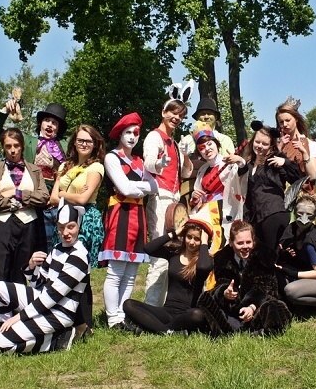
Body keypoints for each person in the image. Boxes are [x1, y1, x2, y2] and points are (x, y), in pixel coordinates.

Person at [0, 202, 89, 354]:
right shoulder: (57, 249)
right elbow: (39, 285)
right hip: (44, 301)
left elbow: (53, 295)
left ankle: (57, 340)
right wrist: (31, 266)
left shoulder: (79, 256)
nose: (66, 232)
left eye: (71, 227)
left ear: (78, 226)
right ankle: (1, 333)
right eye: (61, 227)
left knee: (2, 344)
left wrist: (19, 317)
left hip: (60, 313)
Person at [0, 127, 50, 343]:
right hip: (1, 226)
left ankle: (17, 322)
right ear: (3, 147)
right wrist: (18, 202)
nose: (12, 150)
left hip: (27, 226)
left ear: (22, 146)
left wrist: (15, 194)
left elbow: (43, 197)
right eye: (8, 146)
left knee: (21, 274)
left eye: (16, 146)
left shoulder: (34, 170)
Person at [99, 112, 158, 329]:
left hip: (138, 217)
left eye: (136, 133)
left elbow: (154, 187)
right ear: (120, 134)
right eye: (128, 133)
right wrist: (140, 188)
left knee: (131, 272)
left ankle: (122, 315)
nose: (132, 137)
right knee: (116, 271)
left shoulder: (140, 161)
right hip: (120, 215)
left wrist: (136, 188)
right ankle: (112, 318)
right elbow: (124, 189)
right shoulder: (111, 157)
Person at [0, 101, 69, 252]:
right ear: (40, 123)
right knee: (34, 250)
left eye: (54, 123)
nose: (50, 125)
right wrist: (6, 110)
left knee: (59, 248)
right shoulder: (27, 141)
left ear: (59, 128)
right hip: (30, 202)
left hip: (57, 203)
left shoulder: (65, 145)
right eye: (47, 121)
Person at [50, 124, 105, 337]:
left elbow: (83, 199)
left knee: (80, 272)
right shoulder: (65, 166)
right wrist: (66, 195)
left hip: (86, 221)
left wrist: (64, 194)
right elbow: (52, 198)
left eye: (88, 141)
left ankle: (85, 324)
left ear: (95, 144)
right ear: (74, 142)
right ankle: (67, 320)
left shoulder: (96, 167)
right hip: (65, 219)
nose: (84, 144)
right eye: (80, 140)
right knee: (63, 269)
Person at [143, 82, 194, 306]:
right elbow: (148, 163)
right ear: (163, 112)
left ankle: (164, 306)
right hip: (160, 197)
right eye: (173, 113)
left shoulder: (173, 142)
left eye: (180, 115)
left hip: (174, 201)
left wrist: (185, 154)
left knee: (172, 252)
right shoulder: (154, 137)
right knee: (160, 253)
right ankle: (150, 307)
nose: (176, 118)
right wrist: (159, 163)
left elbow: (186, 172)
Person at [197, 220, 292, 337]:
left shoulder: (264, 257)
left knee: (274, 307)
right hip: (235, 310)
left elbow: (267, 289)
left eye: (248, 242)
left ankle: (264, 332)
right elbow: (221, 283)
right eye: (240, 243)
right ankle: (228, 331)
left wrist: (252, 307)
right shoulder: (222, 259)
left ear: (254, 241)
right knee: (205, 298)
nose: (245, 247)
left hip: (258, 307)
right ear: (231, 243)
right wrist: (225, 293)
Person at [121, 220, 213, 335]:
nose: (191, 242)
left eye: (197, 239)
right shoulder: (174, 253)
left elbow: (203, 267)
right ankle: (167, 331)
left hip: (187, 314)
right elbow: (148, 248)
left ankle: (152, 327)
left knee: (198, 315)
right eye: (189, 237)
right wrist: (175, 233)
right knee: (129, 304)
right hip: (167, 311)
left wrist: (204, 242)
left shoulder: (206, 260)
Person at [238, 121, 302, 254]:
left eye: (265, 144)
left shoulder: (275, 159)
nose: (260, 146)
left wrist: (285, 162)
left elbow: (297, 178)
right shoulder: (249, 163)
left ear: (271, 145)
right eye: (257, 142)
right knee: (260, 255)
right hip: (256, 217)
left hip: (273, 213)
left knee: (271, 255)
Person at [189, 126, 245, 255]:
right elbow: (197, 196)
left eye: (210, 144)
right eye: (202, 148)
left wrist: (240, 161)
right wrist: (195, 196)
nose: (207, 149)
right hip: (205, 209)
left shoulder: (229, 163)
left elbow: (242, 178)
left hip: (225, 209)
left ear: (217, 144)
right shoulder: (202, 170)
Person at [275, 96, 316, 194]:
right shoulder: (276, 145)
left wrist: (304, 152)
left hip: (303, 195)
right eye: (281, 122)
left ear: (296, 119)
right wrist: (278, 148)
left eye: (288, 120)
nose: (285, 124)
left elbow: (312, 177)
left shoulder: (311, 144)